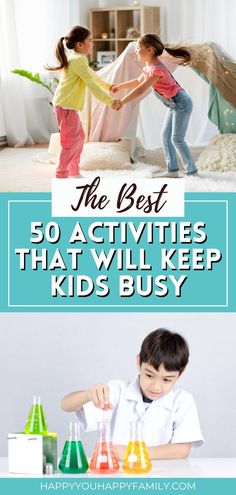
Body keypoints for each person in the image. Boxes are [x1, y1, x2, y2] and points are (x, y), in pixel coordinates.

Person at [61, 329, 204, 460]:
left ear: (180, 374)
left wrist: (133, 452)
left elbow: (182, 450)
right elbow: (65, 405)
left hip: (162, 477)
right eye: (149, 375)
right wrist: (88, 395)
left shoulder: (182, 400)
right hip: (120, 476)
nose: (156, 386)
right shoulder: (117, 391)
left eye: (167, 379)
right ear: (138, 362)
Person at [111, 34, 198, 178]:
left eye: (138, 48)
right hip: (174, 104)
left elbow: (140, 90)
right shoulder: (149, 67)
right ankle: (172, 170)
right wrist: (119, 87)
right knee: (165, 136)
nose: (136, 51)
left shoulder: (156, 70)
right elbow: (138, 82)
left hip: (181, 103)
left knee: (177, 139)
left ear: (150, 50)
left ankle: (192, 171)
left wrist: (122, 102)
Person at [47, 26, 121, 178]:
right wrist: (110, 101)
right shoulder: (78, 60)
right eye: (90, 41)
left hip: (67, 106)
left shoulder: (77, 59)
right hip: (65, 106)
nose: (92, 44)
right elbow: (92, 85)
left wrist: (108, 86)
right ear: (79, 44)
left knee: (79, 138)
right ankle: (62, 173)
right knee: (71, 142)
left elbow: (92, 76)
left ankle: (74, 170)